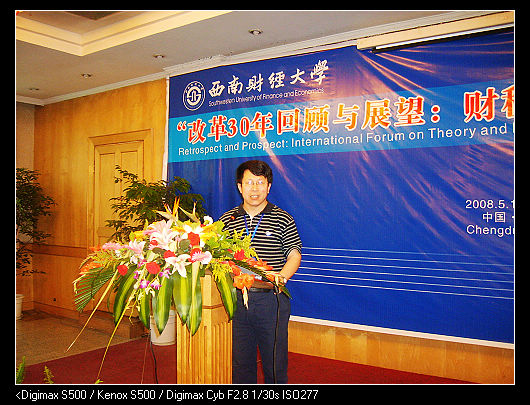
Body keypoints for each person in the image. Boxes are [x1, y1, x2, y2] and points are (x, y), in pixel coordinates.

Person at [219, 160, 302, 384]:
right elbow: (218, 257)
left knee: (274, 363)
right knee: (240, 363)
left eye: (260, 182)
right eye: (249, 182)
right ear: (239, 187)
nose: (254, 188)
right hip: (237, 299)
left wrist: (281, 277)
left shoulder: (283, 218)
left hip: (271, 299)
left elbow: (294, 253)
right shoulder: (227, 219)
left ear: (268, 186)